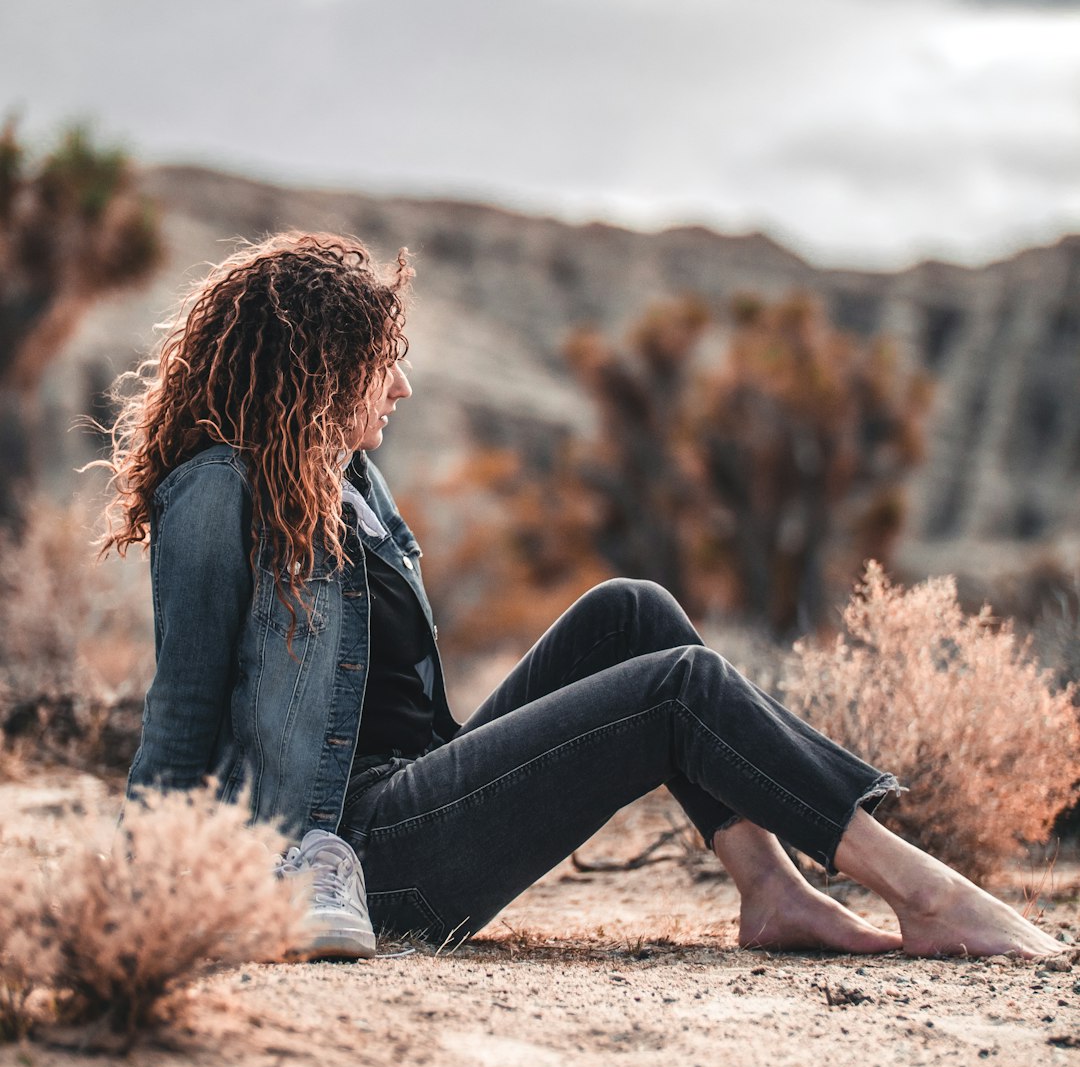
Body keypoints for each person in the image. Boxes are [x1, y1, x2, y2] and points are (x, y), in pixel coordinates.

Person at [102, 232, 1062, 964]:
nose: (399, 387)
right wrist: (151, 892)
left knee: (633, 610)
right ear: (317, 367)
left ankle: (770, 889)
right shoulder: (218, 489)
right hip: (352, 858)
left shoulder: (348, 478)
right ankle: (926, 892)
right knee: (677, 685)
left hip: (413, 798)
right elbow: (183, 708)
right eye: (378, 360)